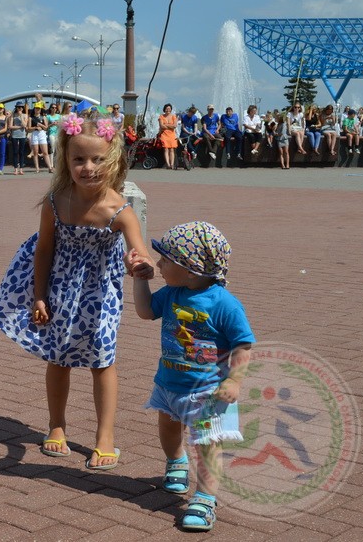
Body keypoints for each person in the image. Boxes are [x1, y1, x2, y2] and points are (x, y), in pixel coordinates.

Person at [0, 112, 152, 470]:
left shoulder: (120, 210)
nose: (87, 167)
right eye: (78, 158)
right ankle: (57, 425)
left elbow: (139, 251)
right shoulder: (56, 201)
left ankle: (105, 436)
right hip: (61, 290)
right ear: (65, 159)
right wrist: (39, 295)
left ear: (113, 160)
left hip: (101, 296)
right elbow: (44, 250)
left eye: (97, 159)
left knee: (102, 360)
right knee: (59, 357)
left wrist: (140, 264)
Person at [126, 221, 255, 532]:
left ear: (191, 270)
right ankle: (176, 462)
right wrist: (140, 280)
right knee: (169, 430)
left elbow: (243, 344)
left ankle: (205, 498)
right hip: (169, 383)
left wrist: (234, 380)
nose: (159, 265)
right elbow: (145, 311)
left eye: (166, 261)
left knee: (208, 445)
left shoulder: (224, 304)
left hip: (208, 391)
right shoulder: (173, 292)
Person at [28, 104, 53, 173]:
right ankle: (37, 168)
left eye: (39, 108)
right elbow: (29, 128)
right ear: (34, 109)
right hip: (35, 133)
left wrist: (40, 125)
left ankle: (50, 167)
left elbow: (46, 128)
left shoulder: (43, 117)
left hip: (42, 133)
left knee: (45, 152)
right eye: (36, 108)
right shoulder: (31, 118)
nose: (37, 110)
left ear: (41, 109)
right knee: (35, 152)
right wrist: (35, 127)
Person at [9, 101, 28, 175]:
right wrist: (19, 127)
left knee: (21, 152)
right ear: (16, 108)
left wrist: (21, 116)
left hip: (22, 135)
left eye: (21, 107)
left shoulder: (25, 115)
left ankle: (21, 169)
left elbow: (25, 125)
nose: (20, 108)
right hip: (15, 135)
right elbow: (10, 126)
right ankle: (15, 169)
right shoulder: (13, 115)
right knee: (15, 152)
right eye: (19, 107)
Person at [158, 103, 178, 169]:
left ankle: (172, 164)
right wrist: (170, 126)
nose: (168, 110)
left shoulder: (173, 116)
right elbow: (161, 126)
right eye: (166, 109)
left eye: (169, 109)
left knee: (172, 149)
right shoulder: (161, 116)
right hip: (164, 134)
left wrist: (166, 125)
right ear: (164, 109)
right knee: (166, 149)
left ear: (171, 109)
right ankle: (168, 164)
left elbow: (174, 126)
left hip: (172, 135)